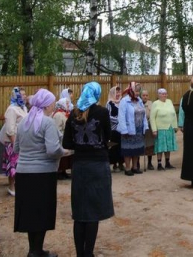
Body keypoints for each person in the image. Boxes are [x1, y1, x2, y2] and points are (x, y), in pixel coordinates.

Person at [63, 82, 114, 257]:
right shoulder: (102, 112)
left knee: (80, 212)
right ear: (97, 94)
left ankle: (80, 254)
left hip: (79, 165)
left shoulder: (72, 114)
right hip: (98, 164)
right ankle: (88, 253)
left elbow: (67, 143)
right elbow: (108, 136)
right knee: (93, 212)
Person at [14, 89, 65, 257]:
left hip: (23, 173)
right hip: (43, 173)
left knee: (30, 212)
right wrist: (65, 152)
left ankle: (33, 250)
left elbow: (16, 148)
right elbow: (52, 150)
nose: (54, 105)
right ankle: (37, 250)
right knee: (42, 212)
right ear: (47, 104)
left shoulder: (23, 123)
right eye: (52, 102)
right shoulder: (47, 123)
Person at [0, 87, 28, 196]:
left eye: (25, 95)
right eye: (22, 95)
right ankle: (11, 187)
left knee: (20, 164)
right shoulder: (12, 109)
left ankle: (20, 184)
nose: (25, 97)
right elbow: (10, 129)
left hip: (22, 140)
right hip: (12, 141)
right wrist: (15, 144)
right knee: (13, 164)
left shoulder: (23, 108)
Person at [117, 82, 148, 176]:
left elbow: (144, 114)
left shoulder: (139, 100)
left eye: (139, 91)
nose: (138, 93)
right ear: (131, 90)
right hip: (129, 129)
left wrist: (145, 126)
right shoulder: (124, 101)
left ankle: (135, 167)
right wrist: (124, 130)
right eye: (136, 91)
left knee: (137, 149)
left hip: (138, 129)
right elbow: (121, 116)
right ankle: (127, 168)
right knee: (128, 149)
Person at [150, 88, 178, 170]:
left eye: (165, 94)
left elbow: (174, 114)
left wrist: (175, 126)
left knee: (168, 146)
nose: (164, 95)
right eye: (162, 94)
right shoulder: (155, 103)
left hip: (170, 127)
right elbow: (152, 117)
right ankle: (159, 164)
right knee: (161, 146)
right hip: (160, 128)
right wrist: (154, 129)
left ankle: (167, 162)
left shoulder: (169, 101)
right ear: (158, 95)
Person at [106, 86, 125, 172]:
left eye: (119, 92)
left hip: (122, 128)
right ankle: (114, 164)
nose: (117, 94)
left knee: (122, 146)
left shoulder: (122, 102)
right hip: (114, 128)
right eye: (116, 93)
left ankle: (121, 163)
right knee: (114, 146)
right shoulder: (109, 103)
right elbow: (108, 116)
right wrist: (118, 119)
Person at [53, 97, 72, 180]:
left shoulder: (66, 113)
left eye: (68, 103)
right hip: (60, 137)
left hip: (65, 137)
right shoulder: (58, 114)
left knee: (66, 155)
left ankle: (63, 171)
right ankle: (59, 171)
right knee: (61, 155)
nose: (68, 105)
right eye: (66, 103)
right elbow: (56, 127)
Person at [141, 89, 156, 170]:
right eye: (143, 95)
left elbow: (153, 114)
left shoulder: (151, 104)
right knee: (140, 144)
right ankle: (137, 163)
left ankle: (149, 163)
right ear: (141, 96)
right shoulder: (138, 103)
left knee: (149, 144)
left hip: (149, 126)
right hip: (140, 127)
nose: (145, 97)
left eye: (146, 95)